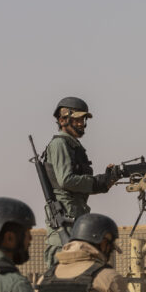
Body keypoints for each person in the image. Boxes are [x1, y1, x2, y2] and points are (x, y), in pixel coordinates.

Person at [42, 96, 121, 267]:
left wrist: (104, 182)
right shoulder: (60, 144)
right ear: (63, 119)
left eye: (82, 119)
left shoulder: (73, 146)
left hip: (74, 222)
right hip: (65, 226)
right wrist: (96, 183)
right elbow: (66, 180)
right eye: (76, 119)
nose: (81, 123)